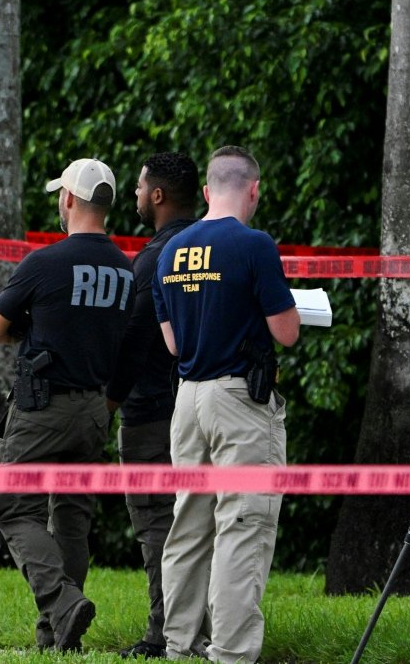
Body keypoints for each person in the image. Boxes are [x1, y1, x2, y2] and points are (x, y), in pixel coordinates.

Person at [152, 146, 300, 663]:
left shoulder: (171, 251)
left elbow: (173, 344)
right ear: (253, 190)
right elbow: (286, 332)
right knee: (243, 523)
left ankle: (179, 645)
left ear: (207, 191)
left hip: (187, 400)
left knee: (188, 528)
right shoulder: (255, 245)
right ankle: (232, 653)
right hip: (238, 400)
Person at [0, 158, 134, 652]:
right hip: (93, 409)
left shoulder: (44, 262)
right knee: (72, 517)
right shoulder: (125, 269)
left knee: (9, 504)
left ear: (68, 199)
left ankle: (63, 604)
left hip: (42, 408)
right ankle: (57, 637)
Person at [104, 152, 200, 660]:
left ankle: (163, 633)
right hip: (204, 405)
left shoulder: (151, 261)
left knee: (157, 523)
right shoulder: (212, 250)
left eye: (141, 188)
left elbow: (135, 344)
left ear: (158, 195)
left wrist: (108, 405)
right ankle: (206, 628)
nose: (137, 195)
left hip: (151, 413)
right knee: (201, 522)